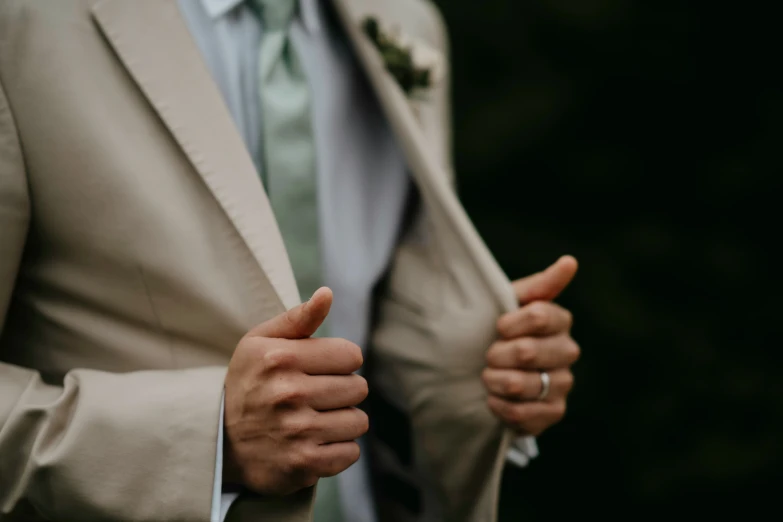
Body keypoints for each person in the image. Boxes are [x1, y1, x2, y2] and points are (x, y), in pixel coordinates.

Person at [0, 0, 580, 521]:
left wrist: (496, 365)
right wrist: (206, 441)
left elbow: (379, 322)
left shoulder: (406, 21)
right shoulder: (21, 23)